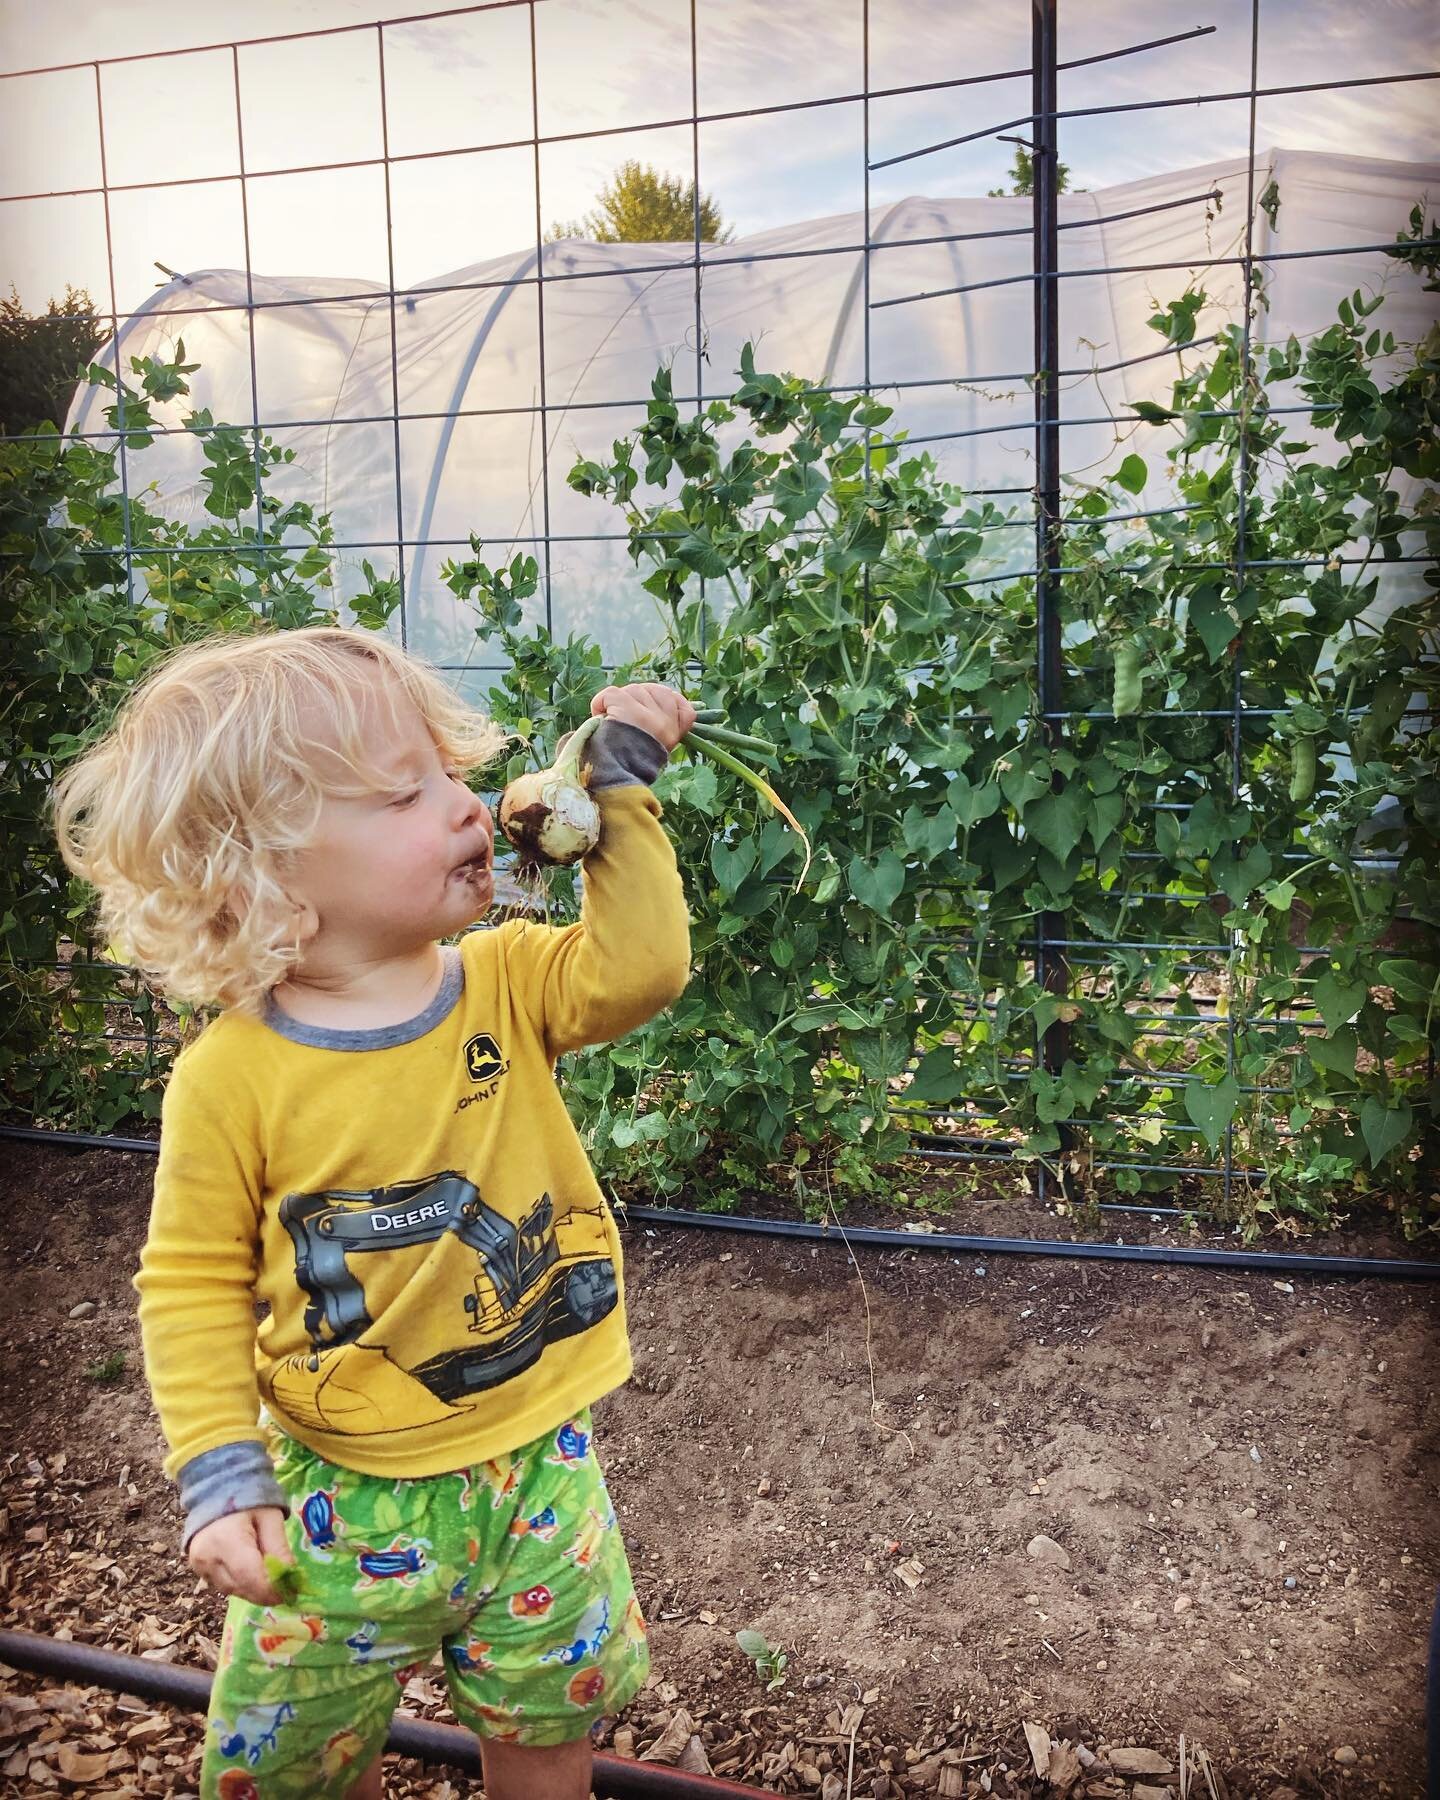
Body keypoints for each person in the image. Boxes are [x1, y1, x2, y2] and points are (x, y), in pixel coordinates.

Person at [53, 626, 695, 1800]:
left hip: (538, 1465)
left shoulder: (507, 977)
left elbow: (641, 968)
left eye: (450, 774)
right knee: (292, 1765)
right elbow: (190, 1282)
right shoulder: (232, 1077)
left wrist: (623, 804)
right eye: (409, 793)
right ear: (265, 877)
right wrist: (217, 1464)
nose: (465, 805)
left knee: (549, 1729)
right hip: (331, 1497)